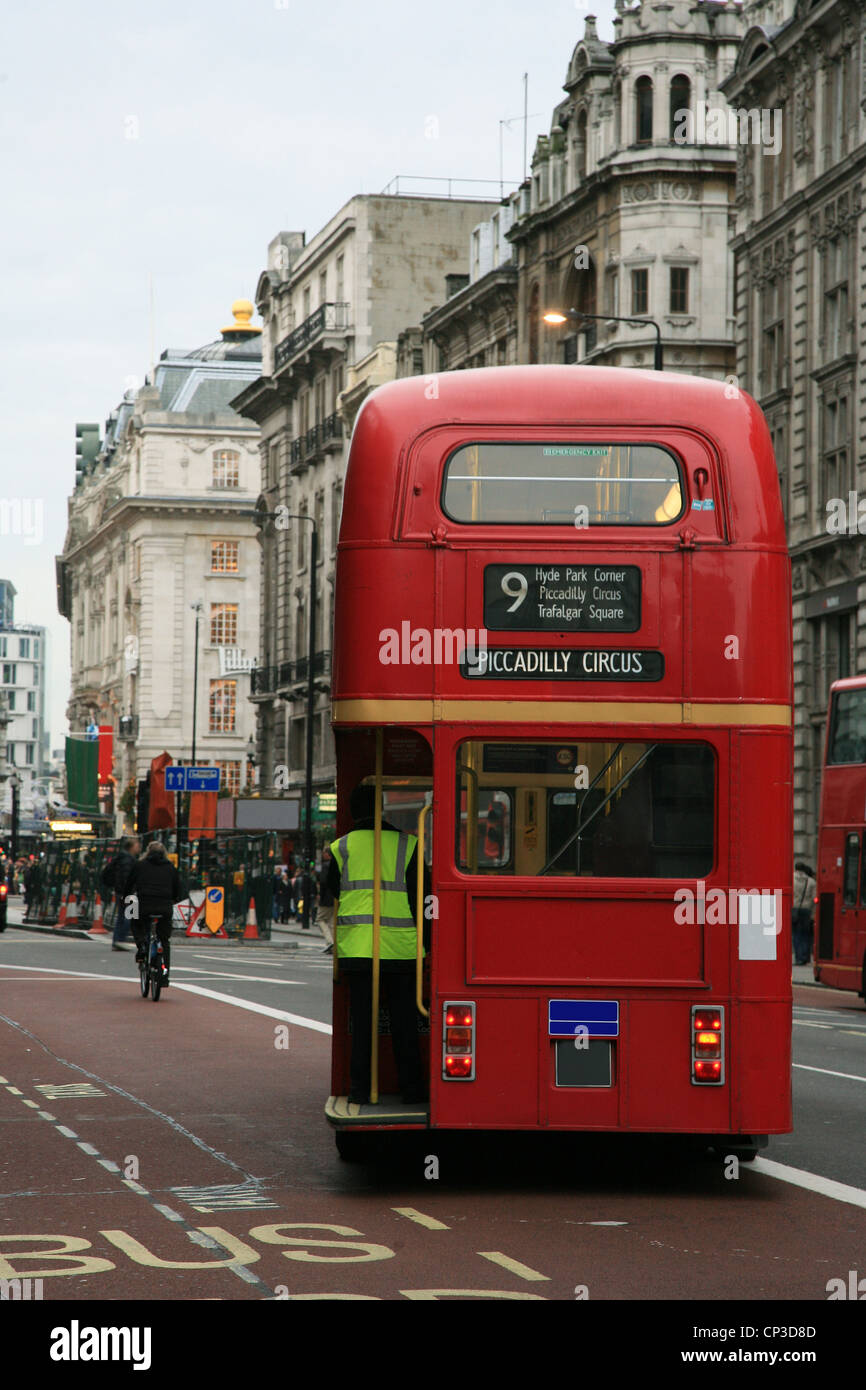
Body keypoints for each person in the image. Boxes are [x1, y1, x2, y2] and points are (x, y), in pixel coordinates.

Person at [328, 783, 429, 1105]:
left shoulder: (340, 848)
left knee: (363, 1025)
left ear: (352, 811)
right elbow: (422, 897)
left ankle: (359, 1091)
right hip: (401, 949)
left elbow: (333, 892)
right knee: (404, 1023)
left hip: (358, 950)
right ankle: (412, 1090)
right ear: (380, 809)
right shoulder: (409, 845)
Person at [125, 841, 186, 985]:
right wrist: (174, 898)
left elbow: (129, 884)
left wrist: (126, 896)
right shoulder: (170, 867)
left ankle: (141, 945)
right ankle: (164, 976)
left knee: (134, 919)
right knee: (164, 941)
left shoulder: (140, 865)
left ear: (147, 852)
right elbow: (178, 889)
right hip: (164, 907)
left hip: (143, 905)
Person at [106, 836, 140, 951]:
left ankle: (117, 940)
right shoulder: (127, 860)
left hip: (122, 891)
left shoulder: (123, 858)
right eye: (136, 845)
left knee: (122, 916)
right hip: (128, 892)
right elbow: (126, 877)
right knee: (129, 916)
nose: (138, 847)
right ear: (131, 847)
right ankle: (120, 939)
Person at [792, 861, 815, 967]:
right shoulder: (811, 882)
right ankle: (805, 957)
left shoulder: (791, 879)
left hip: (795, 909)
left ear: (796, 868)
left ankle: (798, 957)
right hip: (807, 910)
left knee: (796, 934)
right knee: (805, 934)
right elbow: (815, 898)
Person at [317, 846, 335, 953]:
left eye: (324, 853)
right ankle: (333, 947)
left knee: (320, 919)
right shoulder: (336, 865)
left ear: (328, 854)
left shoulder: (325, 866)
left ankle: (329, 942)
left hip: (326, 898)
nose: (323, 855)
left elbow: (323, 882)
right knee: (332, 922)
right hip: (335, 898)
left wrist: (320, 896)